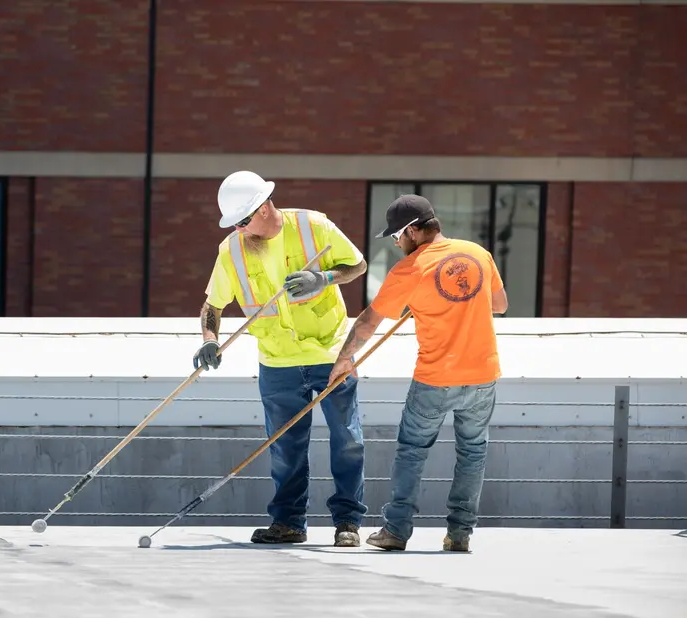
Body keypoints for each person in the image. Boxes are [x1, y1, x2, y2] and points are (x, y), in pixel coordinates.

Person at [194, 170, 369, 547]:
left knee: (347, 440)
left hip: (331, 352)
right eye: (235, 223)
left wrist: (324, 279)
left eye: (243, 221)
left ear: (264, 208)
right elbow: (213, 305)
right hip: (277, 361)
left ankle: (348, 524)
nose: (239, 230)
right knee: (285, 446)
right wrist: (210, 339)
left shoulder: (313, 226)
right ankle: (288, 523)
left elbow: (358, 266)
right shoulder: (232, 250)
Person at [328, 193, 508, 552]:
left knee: (412, 451)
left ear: (412, 231)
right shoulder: (478, 253)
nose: (397, 244)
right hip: (482, 373)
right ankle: (459, 535)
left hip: (435, 377)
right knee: (472, 453)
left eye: (397, 237)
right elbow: (499, 305)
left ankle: (396, 530)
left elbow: (369, 321)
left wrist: (344, 359)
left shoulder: (411, 270)